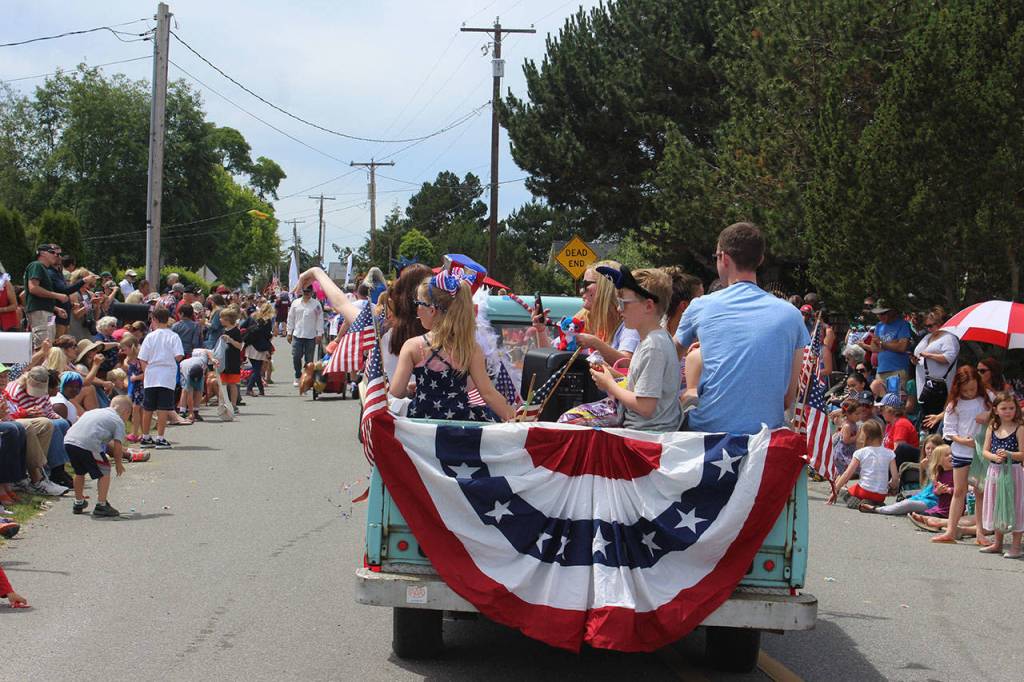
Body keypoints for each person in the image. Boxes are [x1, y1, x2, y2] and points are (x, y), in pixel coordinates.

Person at [672, 222, 809, 434]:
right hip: (763, 438)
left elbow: (667, 358)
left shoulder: (701, 306)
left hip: (707, 435)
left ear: (724, 258)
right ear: (760, 259)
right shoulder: (792, 315)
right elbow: (787, 398)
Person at [390, 269, 516, 422]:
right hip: (460, 425)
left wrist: (408, 391)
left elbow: (396, 391)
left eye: (418, 303)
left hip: (422, 426)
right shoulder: (470, 348)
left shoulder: (412, 346)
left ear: (432, 310)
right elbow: (488, 394)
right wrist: (516, 419)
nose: (417, 309)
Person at [589, 266, 681, 432]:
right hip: (643, 432)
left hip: (645, 436)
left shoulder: (653, 346)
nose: (619, 309)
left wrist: (609, 385)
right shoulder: (654, 339)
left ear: (648, 306)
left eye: (623, 303)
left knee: (568, 422)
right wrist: (611, 375)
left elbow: (645, 406)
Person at [932, 366, 992, 545]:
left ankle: (980, 533)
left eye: (972, 389)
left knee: (980, 492)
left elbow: (1003, 410)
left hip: (981, 453)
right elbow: (949, 431)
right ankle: (950, 530)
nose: (969, 393)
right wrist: (963, 441)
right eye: (965, 390)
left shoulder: (987, 398)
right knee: (959, 491)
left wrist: (989, 414)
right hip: (961, 451)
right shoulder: (954, 404)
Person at [64, 395, 131, 517]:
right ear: (126, 412)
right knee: (105, 470)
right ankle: (101, 504)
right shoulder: (118, 421)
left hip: (69, 441)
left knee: (79, 471)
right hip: (89, 444)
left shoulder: (94, 412)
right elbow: (117, 446)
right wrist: (118, 463)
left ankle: (78, 502)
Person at [979, 392, 1024, 558]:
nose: (1008, 411)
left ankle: (1016, 546)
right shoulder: (993, 427)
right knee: (996, 505)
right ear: (995, 410)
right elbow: (984, 451)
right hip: (995, 471)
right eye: (1004, 408)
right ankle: (997, 544)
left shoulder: (1019, 428)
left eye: (1011, 408)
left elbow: (1023, 454)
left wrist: (1009, 454)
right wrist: (994, 456)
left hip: (1013, 472)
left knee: (1015, 506)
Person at [868, 438, 952, 516]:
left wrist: (927, 469)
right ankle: (882, 508)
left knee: (908, 504)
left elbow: (935, 485)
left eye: (933, 449)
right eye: (928, 448)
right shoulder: (926, 463)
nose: (930, 451)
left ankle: (877, 509)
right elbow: (924, 486)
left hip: (932, 502)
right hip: (923, 497)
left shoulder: (943, 467)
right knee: (906, 500)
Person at [138, 307, 183, 450]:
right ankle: (160, 437)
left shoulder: (150, 336)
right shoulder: (173, 336)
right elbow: (179, 356)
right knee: (163, 407)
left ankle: (145, 436)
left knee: (148, 407)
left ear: (155, 319)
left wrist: (146, 371)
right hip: (166, 375)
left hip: (151, 374)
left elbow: (142, 358)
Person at [827, 419, 897, 510]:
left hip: (864, 491)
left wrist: (835, 490)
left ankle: (862, 505)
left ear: (865, 437)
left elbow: (847, 474)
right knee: (874, 496)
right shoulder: (890, 453)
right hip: (881, 495)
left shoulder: (860, 453)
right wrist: (891, 487)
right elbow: (895, 478)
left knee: (845, 492)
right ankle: (875, 504)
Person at [912, 306, 958, 426]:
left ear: (940, 323)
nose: (928, 329)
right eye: (926, 326)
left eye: (931, 326)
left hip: (938, 388)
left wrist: (928, 355)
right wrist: (915, 360)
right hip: (924, 386)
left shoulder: (949, 338)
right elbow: (918, 353)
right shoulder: (928, 337)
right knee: (925, 422)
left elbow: (949, 358)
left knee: (934, 422)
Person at [858, 300, 912, 392]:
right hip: (881, 370)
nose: (880, 316)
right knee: (877, 398)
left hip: (897, 369)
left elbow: (902, 347)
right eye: (878, 314)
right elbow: (874, 348)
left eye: (883, 313)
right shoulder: (879, 326)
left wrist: (882, 343)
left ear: (892, 312)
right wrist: (893, 343)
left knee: (894, 399)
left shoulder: (902, 324)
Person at [24, 243, 70, 348]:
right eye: (52, 252)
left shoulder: (44, 269)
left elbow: (41, 296)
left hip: (48, 312)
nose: (56, 255)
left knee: (50, 343)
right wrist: (57, 296)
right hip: (40, 312)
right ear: (42, 253)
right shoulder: (36, 265)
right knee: (43, 345)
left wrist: (56, 309)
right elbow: (33, 288)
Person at [287, 286, 323, 387]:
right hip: (297, 334)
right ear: (302, 291)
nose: (306, 293)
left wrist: (319, 334)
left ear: (312, 292)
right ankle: (298, 376)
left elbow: (320, 319)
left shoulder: (316, 304)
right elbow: (291, 318)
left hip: (311, 335)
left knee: (309, 359)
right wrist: (289, 332)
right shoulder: (295, 303)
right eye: (305, 291)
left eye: (308, 291)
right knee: (296, 356)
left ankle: (307, 378)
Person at [879, 393, 920, 467]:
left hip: (902, 465)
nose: (880, 412)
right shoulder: (889, 425)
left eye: (882, 409)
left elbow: (898, 453)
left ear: (890, 410)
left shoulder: (901, 424)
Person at [242, 302, 273, 397]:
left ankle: (261, 390)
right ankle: (249, 389)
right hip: (260, 347)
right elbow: (267, 336)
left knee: (256, 368)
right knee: (257, 370)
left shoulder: (252, 316)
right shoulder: (267, 321)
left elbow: (242, 326)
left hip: (249, 345)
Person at [218, 307, 244, 413]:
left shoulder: (236, 331)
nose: (220, 320)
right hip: (224, 360)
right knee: (222, 383)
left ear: (228, 319)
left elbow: (240, 346)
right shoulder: (223, 331)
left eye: (222, 318)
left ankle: (233, 404)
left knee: (233, 383)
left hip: (233, 360)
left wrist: (230, 340)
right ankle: (223, 403)